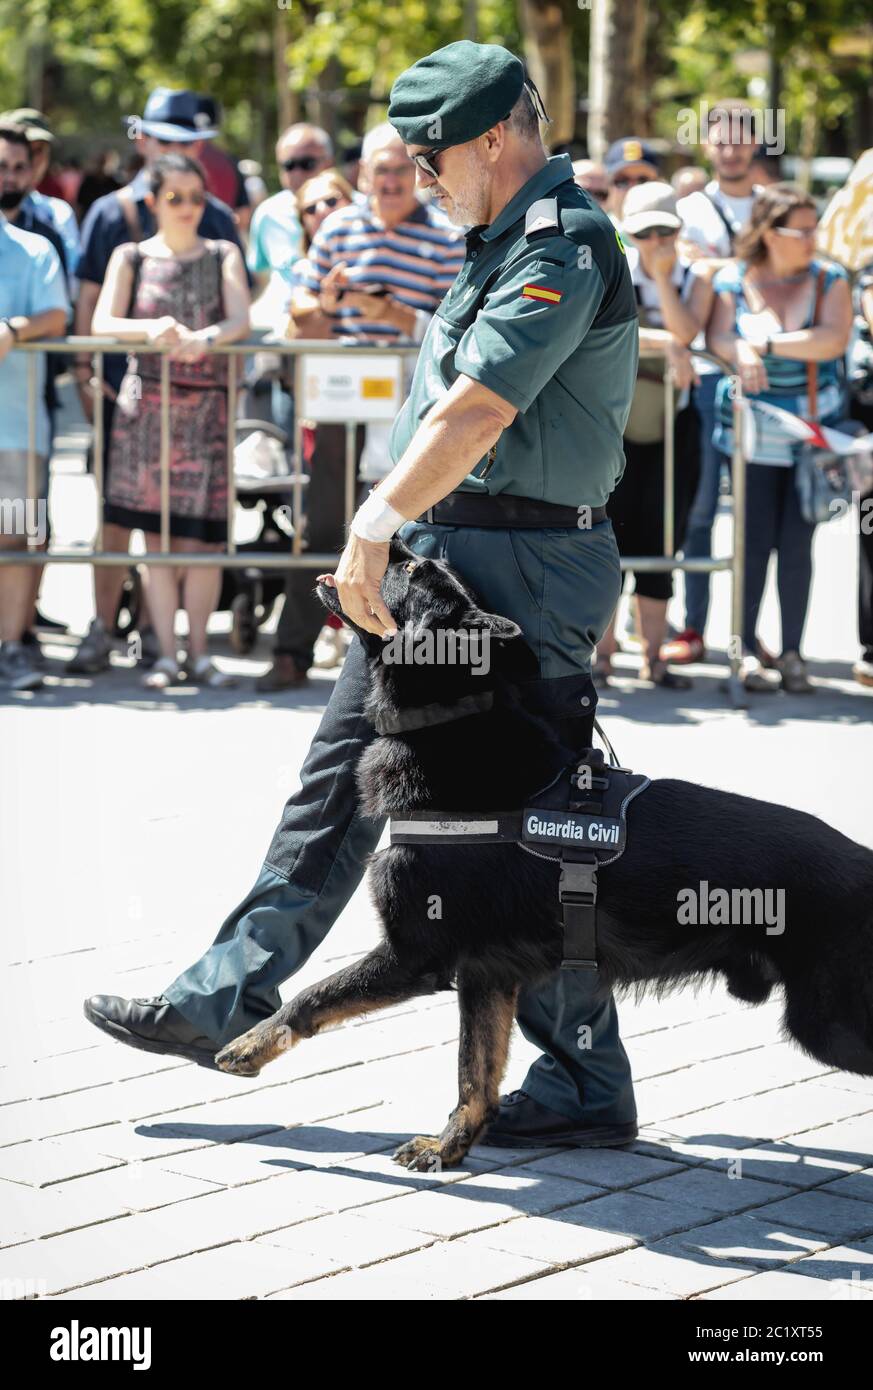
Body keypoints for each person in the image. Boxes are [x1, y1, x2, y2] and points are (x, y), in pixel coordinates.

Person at [84, 39, 641, 1153]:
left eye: (434, 159)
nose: (422, 178)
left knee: (518, 835)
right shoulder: (498, 238)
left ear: (496, 137)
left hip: (520, 578)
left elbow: (479, 410)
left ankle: (583, 1075)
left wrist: (374, 523)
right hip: (442, 566)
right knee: (339, 782)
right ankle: (221, 996)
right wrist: (393, 534)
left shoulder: (562, 240)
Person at [256, 123, 465, 692]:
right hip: (341, 396)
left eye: (402, 168)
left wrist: (399, 317)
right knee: (322, 522)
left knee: (408, 526)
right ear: (363, 175)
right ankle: (291, 650)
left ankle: (408, 662)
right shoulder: (339, 228)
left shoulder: (446, 236)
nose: (392, 179)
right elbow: (305, 317)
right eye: (381, 169)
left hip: (411, 403)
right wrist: (326, 300)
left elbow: (457, 330)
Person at [68, 88, 247, 677]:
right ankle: (135, 642)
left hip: (204, 413)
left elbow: (241, 313)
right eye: (175, 196)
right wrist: (94, 372)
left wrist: (211, 338)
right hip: (138, 408)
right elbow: (94, 314)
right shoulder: (120, 236)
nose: (187, 205)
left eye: (195, 195)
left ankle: (195, 653)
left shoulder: (220, 235)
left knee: (199, 541)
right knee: (134, 533)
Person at [707, 183, 853, 693]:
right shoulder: (732, 278)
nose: (814, 238)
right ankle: (745, 648)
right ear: (769, 233)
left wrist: (762, 342)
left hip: (813, 436)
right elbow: (718, 337)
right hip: (750, 435)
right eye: (802, 230)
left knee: (798, 543)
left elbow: (832, 339)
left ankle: (793, 652)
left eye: (816, 229)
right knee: (750, 543)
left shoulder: (830, 277)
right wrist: (738, 349)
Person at [664, 100, 764, 665]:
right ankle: (693, 625)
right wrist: (735, 268)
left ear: (754, 145)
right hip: (707, 378)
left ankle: (746, 634)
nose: (730, 149)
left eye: (740, 140)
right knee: (700, 511)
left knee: (757, 515)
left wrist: (716, 265)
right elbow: (687, 277)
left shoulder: (770, 205)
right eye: (720, 140)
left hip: (765, 377)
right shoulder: (690, 208)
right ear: (708, 146)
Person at [596, 182, 707, 688]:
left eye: (665, 231)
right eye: (645, 233)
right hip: (614, 426)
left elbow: (689, 331)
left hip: (673, 427)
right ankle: (603, 651)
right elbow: (605, 333)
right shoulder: (610, 268)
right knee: (606, 539)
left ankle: (654, 656)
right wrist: (669, 344)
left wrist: (663, 282)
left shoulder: (695, 275)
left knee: (663, 540)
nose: (656, 241)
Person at [0, 216, 69, 690]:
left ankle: (10, 646)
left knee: (18, 535)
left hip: (17, 427)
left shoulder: (34, 249)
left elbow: (57, 315)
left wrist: (11, 328)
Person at [246, 124, 333, 329]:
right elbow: (262, 278)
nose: (297, 172)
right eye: (289, 165)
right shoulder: (268, 214)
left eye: (307, 163)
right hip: (288, 334)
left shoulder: (355, 207)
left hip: (346, 334)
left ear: (329, 163)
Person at [603, 137, 660, 223]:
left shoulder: (676, 231)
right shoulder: (596, 231)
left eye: (643, 180)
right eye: (622, 181)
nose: (633, 188)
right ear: (607, 186)